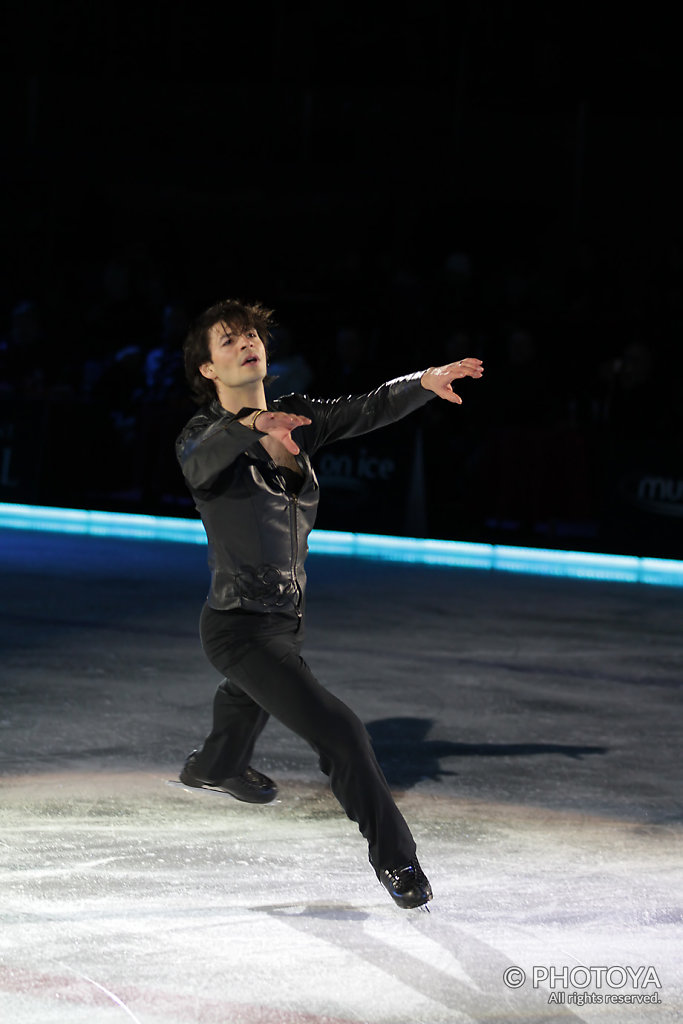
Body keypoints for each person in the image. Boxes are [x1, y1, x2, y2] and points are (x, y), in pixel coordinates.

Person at [175, 298, 484, 909]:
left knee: (249, 693)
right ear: (208, 370)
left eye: (251, 335)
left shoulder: (297, 414)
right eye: (228, 341)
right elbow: (204, 460)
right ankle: (397, 863)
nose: (246, 344)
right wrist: (249, 428)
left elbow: (366, 408)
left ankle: (216, 763)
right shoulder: (200, 437)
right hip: (238, 627)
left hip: (285, 622)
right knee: (341, 732)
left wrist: (422, 383)